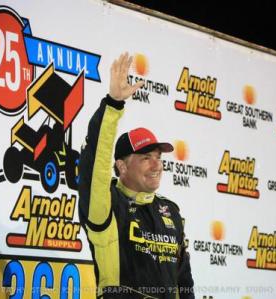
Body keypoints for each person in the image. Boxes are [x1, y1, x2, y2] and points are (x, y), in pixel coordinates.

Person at [79, 52, 194, 299]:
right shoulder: (106, 206)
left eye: (158, 157)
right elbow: (95, 165)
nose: (156, 166)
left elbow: (184, 282)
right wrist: (113, 105)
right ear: (121, 167)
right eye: (145, 158)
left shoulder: (170, 211)